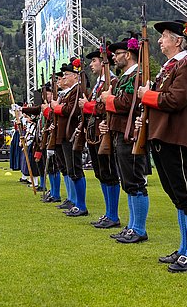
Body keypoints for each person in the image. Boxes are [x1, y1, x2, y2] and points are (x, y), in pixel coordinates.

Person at [137, 11, 187, 272]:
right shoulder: (174, 66)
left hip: (178, 137)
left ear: (179, 41)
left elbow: (175, 100)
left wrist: (147, 96)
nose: (160, 42)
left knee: (186, 194)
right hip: (165, 135)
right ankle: (184, 249)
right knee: (177, 195)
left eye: (165, 37)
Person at [100, 34, 148, 240]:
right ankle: (132, 225)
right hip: (121, 132)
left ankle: (138, 229)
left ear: (128, 54)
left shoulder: (135, 75)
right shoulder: (126, 77)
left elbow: (127, 103)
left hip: (130, 134)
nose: (114, 58)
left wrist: (108, 99)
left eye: (118, 54)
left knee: (134, 181)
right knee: (127, 181)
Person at [83, 47, 121, 227]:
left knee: (109, 173)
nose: (91, 64)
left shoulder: (112, 81)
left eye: (94, 61)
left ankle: (113, 215)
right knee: (101, 173)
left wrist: (87, 105)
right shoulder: (100, 84)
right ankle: (108, 213)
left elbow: (104, 106)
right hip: (95, 133)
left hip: (105, 132)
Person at [50, 58, 89, 217]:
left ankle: (80, 204)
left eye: (67, 74)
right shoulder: (71, 92)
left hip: (72, 134)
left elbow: (70, 110)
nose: (64, 77)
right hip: (65, 134)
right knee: (70, 169)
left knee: (75, 169)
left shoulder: (77, 91)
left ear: (76, 76)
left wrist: (55, 107)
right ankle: (75, 201)